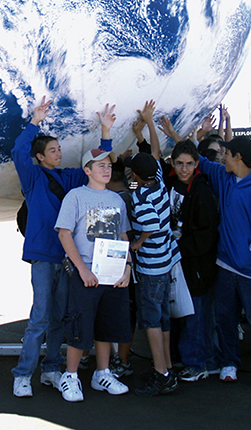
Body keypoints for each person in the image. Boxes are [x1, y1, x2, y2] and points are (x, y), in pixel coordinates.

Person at [11, 97, 116, 398]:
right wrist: (35, 121)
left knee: (59, 316)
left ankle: (51, 369)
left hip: (66, 258)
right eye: (53, 150)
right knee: (40, 316)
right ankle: (23, 374)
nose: (59, 153)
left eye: (59, 149)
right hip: (43, 258)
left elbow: (98, 162)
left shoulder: (69, 177)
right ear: (41, 157)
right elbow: (19, 151)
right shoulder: (32, 178)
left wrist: (105, 132)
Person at [197, 136, 251, 390]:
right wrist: (174, 133)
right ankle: (229, 362)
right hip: (225, 265)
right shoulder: (224, 177)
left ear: (238, 157)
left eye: (226, 154)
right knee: (224, 317)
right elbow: (199, 160)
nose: (222, 158)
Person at [54, 146, 132, 402]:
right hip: (85, 272)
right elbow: (64, 233)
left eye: (109, 166)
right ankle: (71, 375)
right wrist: (82, 269)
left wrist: (127, 268)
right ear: (87, 170)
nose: (106, 169)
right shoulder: (75, 197)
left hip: (112, 274)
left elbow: (122, 237)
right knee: (80, 325)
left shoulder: (117, 200)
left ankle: (103, 372)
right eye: (100, 166)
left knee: (106, 326)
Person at [129, 101, 181, 397]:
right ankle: (168, 368)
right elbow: (157, 153)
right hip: (165, 262)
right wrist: (148, 123)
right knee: (162, 318)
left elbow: (150, 225)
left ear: (135, 176)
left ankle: (161, 375)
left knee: (150, 320)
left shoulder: (141, 198)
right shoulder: (159, 182)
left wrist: (137, 242)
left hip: (150, 267)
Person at [161, 138, 220, 382]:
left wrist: (179, 246)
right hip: (180, 262)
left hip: (197, 265)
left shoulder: (202, 191)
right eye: (179, 163)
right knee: (184, 314)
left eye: (189, 164)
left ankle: (200, 363)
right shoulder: (173, 184)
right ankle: (195, 359)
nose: (184, 169)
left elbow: (206, 234)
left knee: (197, 315)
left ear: (196, 164)